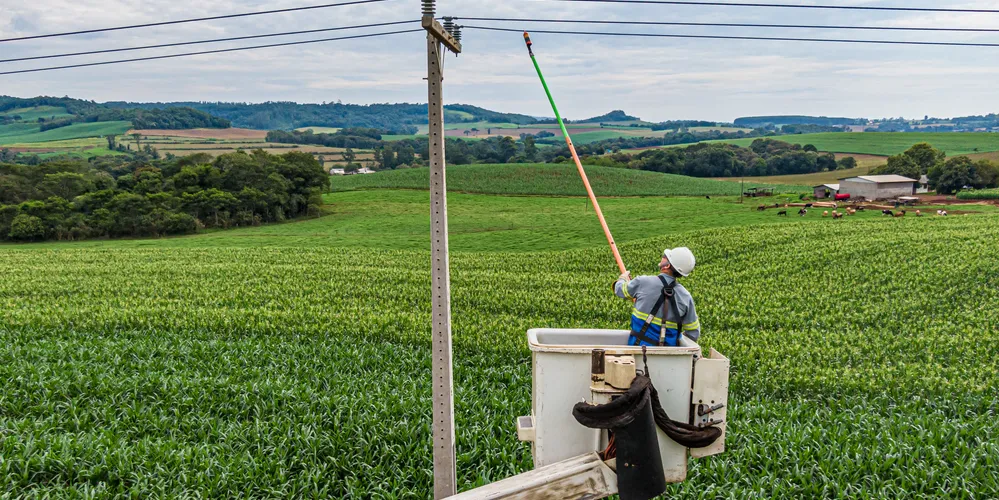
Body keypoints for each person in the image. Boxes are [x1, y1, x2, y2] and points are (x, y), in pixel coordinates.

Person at [613, 247, 700, 347]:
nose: (662, 258)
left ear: (667, 266)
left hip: (639, 351)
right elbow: (693, 333)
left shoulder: (643, 282)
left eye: (665, 257)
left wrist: (622, 279)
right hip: (670, 356)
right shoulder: (686, 296)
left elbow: (619, 290)